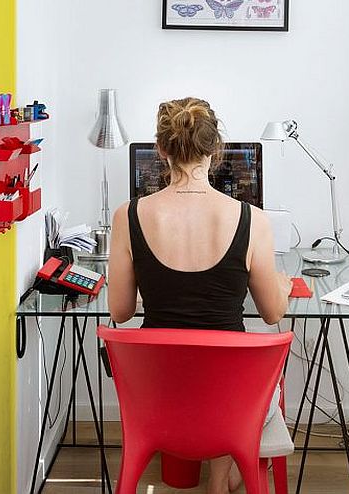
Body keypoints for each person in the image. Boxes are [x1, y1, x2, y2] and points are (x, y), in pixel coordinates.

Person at [108, 97, 293, 494]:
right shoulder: (252, 220)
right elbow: (273, 312)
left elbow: (120, 312)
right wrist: (283, 285)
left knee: (204, 373)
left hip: (157, 397)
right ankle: (221, 480)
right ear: (216, 149)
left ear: (161, 149)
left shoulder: (128, 216)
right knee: (227, 373)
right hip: (232, 405)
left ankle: (213, 479)